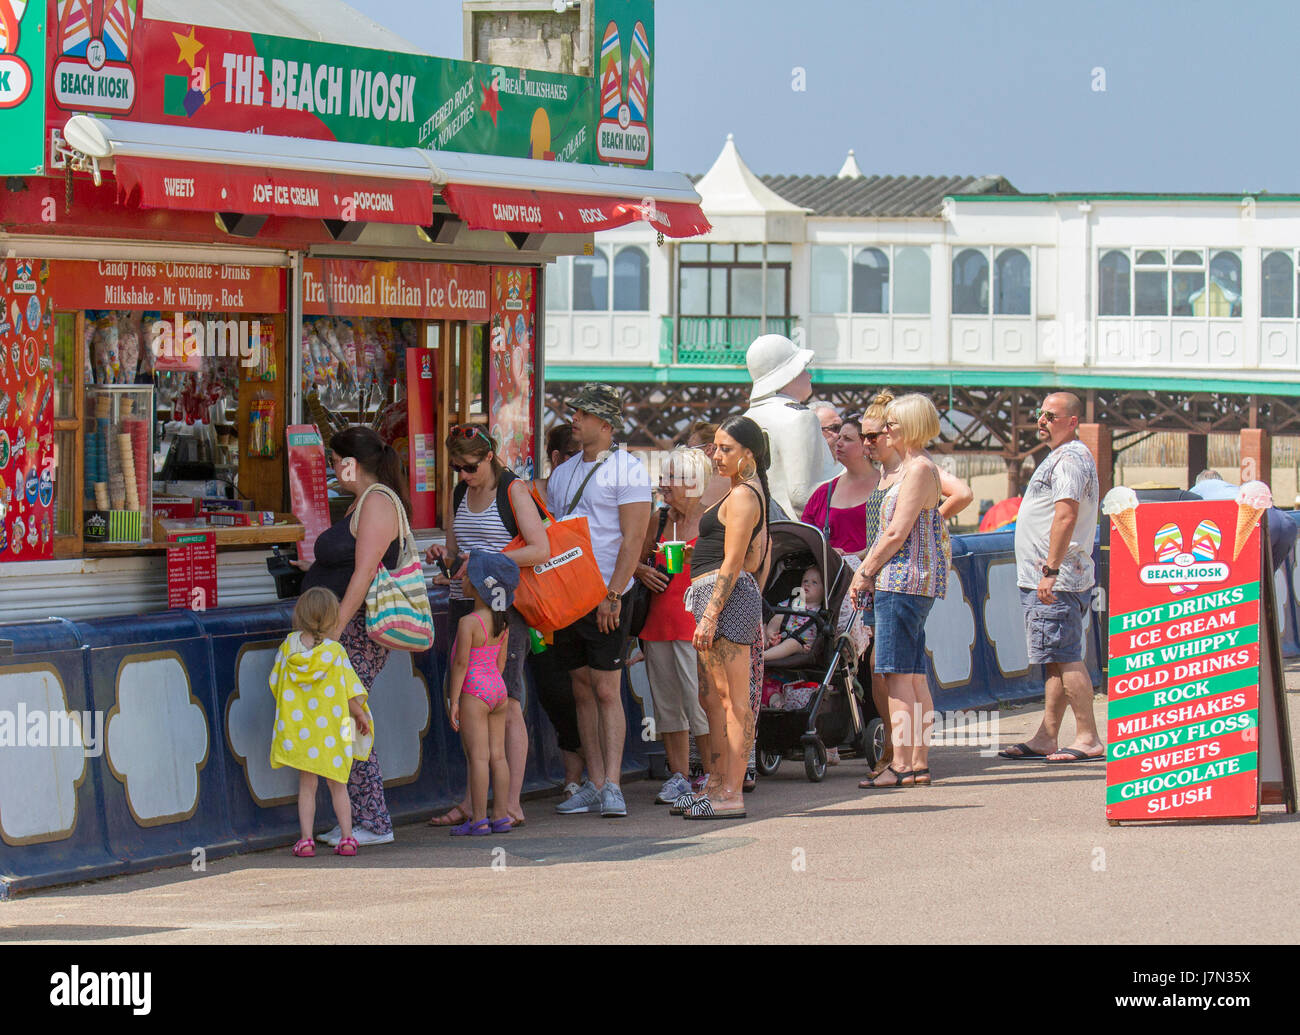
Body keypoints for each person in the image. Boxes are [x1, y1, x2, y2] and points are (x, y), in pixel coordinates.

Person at [425, 426, 549, 828]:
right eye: (457, 467)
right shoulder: (460, 493)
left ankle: (511, 803)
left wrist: (485, 560)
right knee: (469, 701)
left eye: (470, 467)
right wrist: (446, 558)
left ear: (490, 457)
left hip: (503, 609)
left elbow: (540, 548)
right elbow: (457, 551)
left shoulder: (512, 491)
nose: (463, 475)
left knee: (507, 701)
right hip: (466, 604)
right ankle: (473, 801)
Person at [548, 383, 653, 818]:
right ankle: (593, 781)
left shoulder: (628, 470)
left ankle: (613, 783)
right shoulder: (562, 472)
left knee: (607, 689)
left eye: (585, 414)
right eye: (575, 412)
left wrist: (613, 593)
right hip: (568, 595)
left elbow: (634, 539)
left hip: (608, 593)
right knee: (581, 689)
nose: (575, 419)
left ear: (606, 423)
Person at [298, 426, 404, 847]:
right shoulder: (362, 503)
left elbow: (363, 573)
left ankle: (373, 822)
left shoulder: (377, 502)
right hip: (342, 627)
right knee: (343, 718)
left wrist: (337, 631)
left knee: (349, 718)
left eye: (332, 460)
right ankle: (356, 819)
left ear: (350, 463)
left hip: (354, 631)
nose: (329, 469)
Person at [850, 394, 952, 788]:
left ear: (909, 427)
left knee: (895, 675)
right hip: (912, 582)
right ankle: (916, 763)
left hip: (901, 580)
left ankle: (904, 763)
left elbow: (896, 531)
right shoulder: (918, 468)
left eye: (892, 424)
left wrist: (865, 571)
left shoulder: (918, 469)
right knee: (911, 675)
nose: (885, 429)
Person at [997, 392, 1104, 764]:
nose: (1042, 421)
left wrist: (1050, 570)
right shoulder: (1062, 456)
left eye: (1051, 415)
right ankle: (1048, 735)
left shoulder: (1071, 459)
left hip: (1057, 577)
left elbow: (1066, 515)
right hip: (1051, 576)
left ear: (1072, 421)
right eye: (1040, 414)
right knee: (1054, 656)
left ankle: (1088, 736)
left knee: (1065, 655)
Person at [678, 415, 771, 820]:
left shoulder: (747, 494)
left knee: (734, 702)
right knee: (711, 699)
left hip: (725, 600)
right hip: (712, 595)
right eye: (714, 447)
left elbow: (737, 562)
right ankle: (716, 783)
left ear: (748, 453)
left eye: (726, 449)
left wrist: (711, 614)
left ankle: (732, 790)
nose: (716, 455)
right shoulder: (736, 491)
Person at [636, 446, 713, 806]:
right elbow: (634, 558)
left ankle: (712, 775)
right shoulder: (660, 518)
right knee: (666, 705)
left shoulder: (713, 520)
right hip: (658, 620)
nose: (664, 485)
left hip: (693, 622)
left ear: (695, 483)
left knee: (699, 703)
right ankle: (679, 775)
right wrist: (643, 571)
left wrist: (697, 557)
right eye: (664, 477)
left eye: (672, 478)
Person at [272, 587, 373, 858]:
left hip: (301, 728)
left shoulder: (288, 647)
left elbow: (275, 683)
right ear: (331, 618)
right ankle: (348, 837)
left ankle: (306, 840)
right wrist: (360, 714)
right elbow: (348, 690)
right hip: (333, 729)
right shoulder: (335, 652)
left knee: (307, 786)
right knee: (338, 785)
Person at [528, 424, 586, 800]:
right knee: (555, 692)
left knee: (583, 691)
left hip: (580, 601)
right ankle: (572, 778)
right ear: (555, 459)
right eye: (572, 455)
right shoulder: (527, 494)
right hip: (540, 611)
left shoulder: (587, 492)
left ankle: (584, 779)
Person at [445, 551, 521, 836]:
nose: (463, 579)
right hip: (497, 689)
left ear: (477, 586)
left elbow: (461, 663)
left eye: (468, 576)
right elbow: (500, 663)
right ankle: (500, 816)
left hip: (474, 691)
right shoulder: (503, 621)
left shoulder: (468, 623)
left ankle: (478, 819)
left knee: (477, 757)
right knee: (497, 756)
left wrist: (455, 700)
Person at [744, 334, 839, 520]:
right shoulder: (800, 417)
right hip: (797, 530)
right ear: (789, 374)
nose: (808, 375)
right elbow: (801, 496)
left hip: (760, 525)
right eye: (803, 369)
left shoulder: (746, 417)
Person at [801, 413, 880, 561]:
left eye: (848, 439)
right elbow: (805, 537)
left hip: (871, 575)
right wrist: (826, 550)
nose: (839, 443)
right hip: (833, 577)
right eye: (839, 438)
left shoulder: (886, 486)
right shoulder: (823, 493)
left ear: (866, 445)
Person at [1188, 470, 1298, 572]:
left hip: (1260, 520)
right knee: (1264, 579)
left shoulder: (1197, 490)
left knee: (1253, 580)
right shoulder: (1231, 488)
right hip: (1286, 522)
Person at [763, 565, 823, 662]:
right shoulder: (792, 602)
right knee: (766, 622)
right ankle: (765, 643)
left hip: (800, 644)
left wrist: (810, 647)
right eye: (805, 581)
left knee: (792, 644)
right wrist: (771, 632)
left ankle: (761, 657)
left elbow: (820, 635)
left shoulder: (820, 611)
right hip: (779, 634)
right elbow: (777, 616)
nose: (807, 584)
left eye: (814, 582)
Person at [686, 420, 730, 510]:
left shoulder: (715, 482)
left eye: (690, 449)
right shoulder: (731, 477)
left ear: (708, 449)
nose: (686, 453)